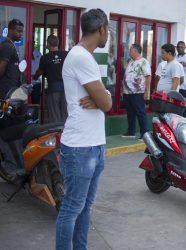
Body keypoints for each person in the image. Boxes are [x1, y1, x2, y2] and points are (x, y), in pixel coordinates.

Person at [55, 9, 112, 250]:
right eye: (108, 30)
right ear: (101, 30)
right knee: (71, 208)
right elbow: (107, 104)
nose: (108, 35)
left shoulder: (83, 56)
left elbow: (104, 98)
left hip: (94, 145)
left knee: (85, 207)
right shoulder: (81, 57)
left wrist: (101, 96)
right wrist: (102, 98)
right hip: (80, 148)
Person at [34, 35, 68, 123]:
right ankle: (64, 135)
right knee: (65, 115)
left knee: (54, 116)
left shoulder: (45, 58)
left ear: (48, 44)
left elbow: (40, 72)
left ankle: (57, 135)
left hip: (53, 90)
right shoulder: (66, 54)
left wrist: (34, 77)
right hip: (66, 89)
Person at [121, 43, 151, 139]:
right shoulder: (130, 61)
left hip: (138, 92)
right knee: (130, 112)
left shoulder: (144, 62)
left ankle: (145, 133)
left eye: (130, 50)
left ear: (135, 51)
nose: (129, 52)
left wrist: (147, 91)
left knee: (140, 112)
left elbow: (148, 76)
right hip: (128, 92)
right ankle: (131, 132)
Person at [0, 19, 24, 101]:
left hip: (11, 90)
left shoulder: (11, 45)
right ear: (10, 31)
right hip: (5, 91)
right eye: (18, 31)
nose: (21, 34)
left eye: (22, 32)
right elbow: (1, 68)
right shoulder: (7, 46)